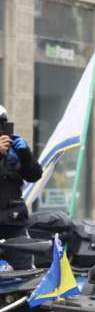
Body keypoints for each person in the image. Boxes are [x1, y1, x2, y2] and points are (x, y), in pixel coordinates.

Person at [0, 106, 42, 270]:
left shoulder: (13, 148)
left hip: (14, 222)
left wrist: (25, 153)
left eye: (2, 124)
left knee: (26, 273)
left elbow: (34, 175)